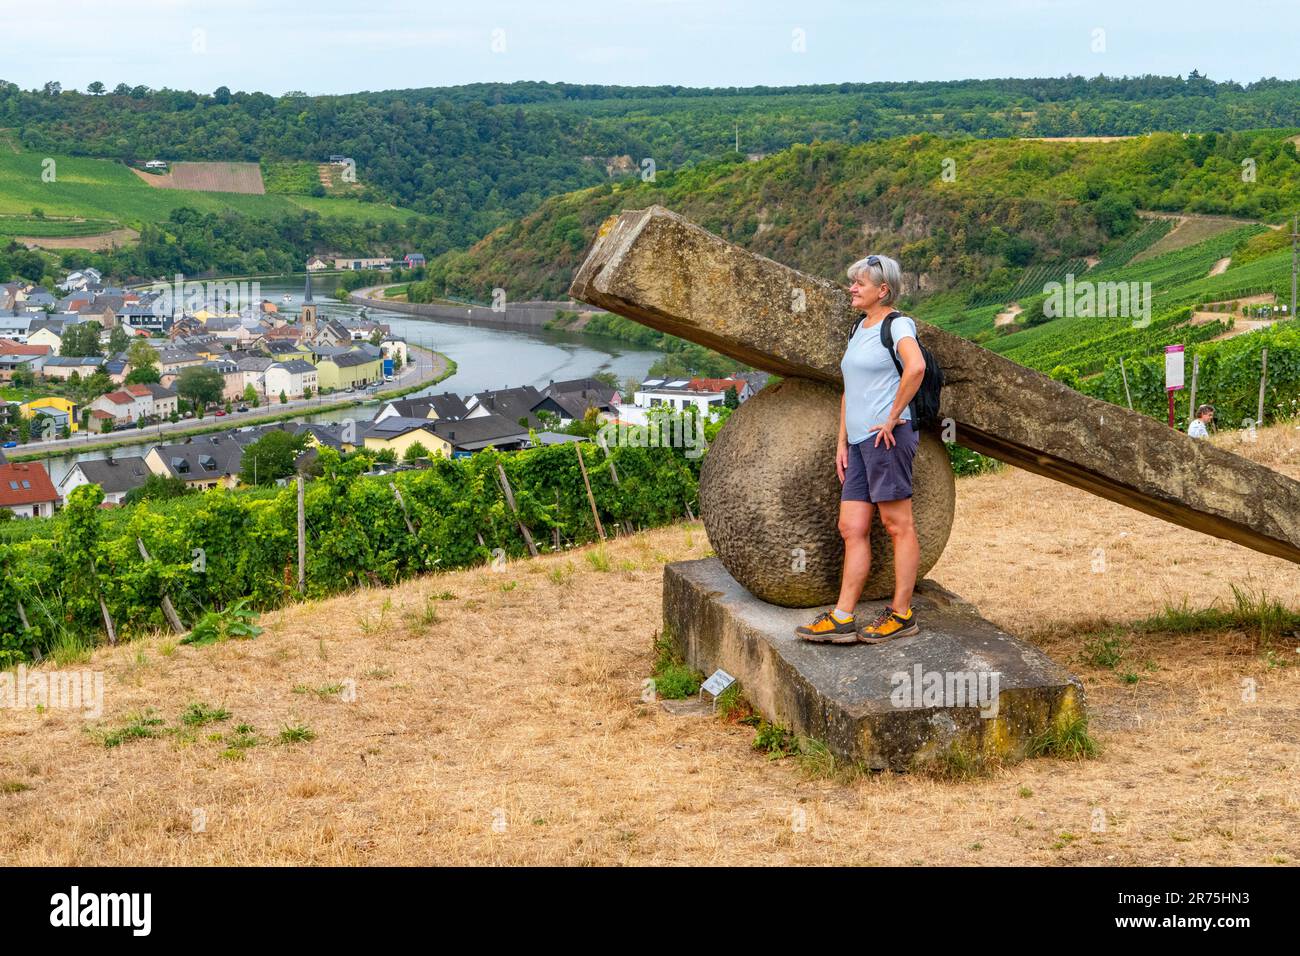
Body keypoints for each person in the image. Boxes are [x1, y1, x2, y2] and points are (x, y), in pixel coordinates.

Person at [796, 253, 927, 645]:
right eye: (853, 281)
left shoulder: (898, 324)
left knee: (896, 525)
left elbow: (916, 367)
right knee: (851, 527)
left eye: (860, 283)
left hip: (887, 439)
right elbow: (850, 390)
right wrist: (842, 441)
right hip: (858, 443)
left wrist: (891, 417)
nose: (852, 288)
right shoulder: (859, 327)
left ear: (882, 290)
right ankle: (842, 617)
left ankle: (902, 614)